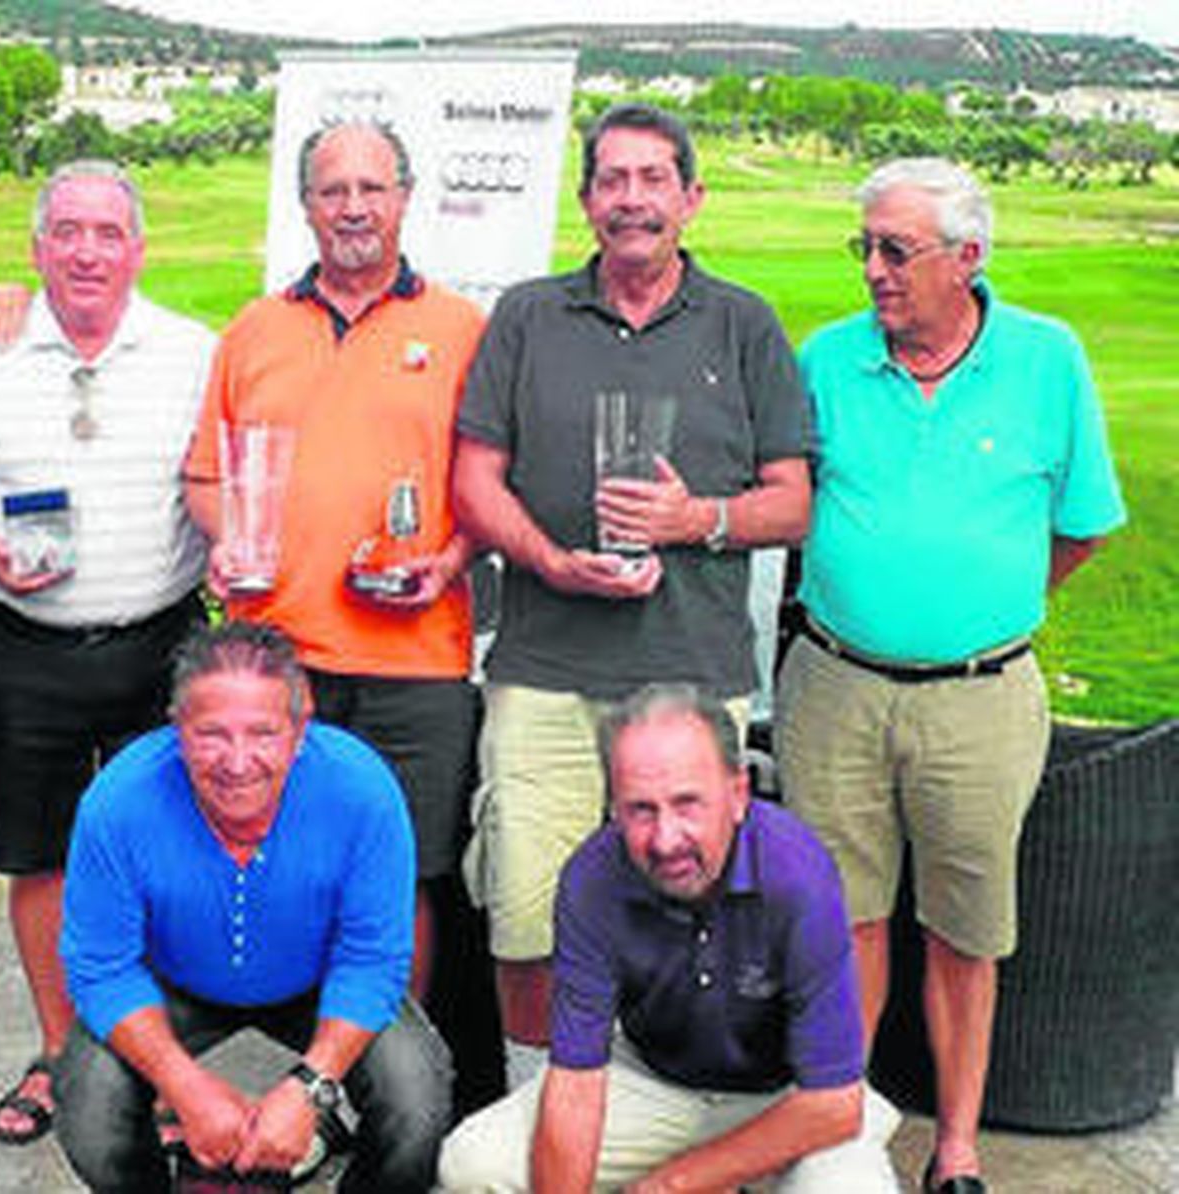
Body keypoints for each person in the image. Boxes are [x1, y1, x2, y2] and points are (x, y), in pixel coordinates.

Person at [775, 157, 1125, 1194]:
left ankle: (957, 1147)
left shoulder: (1046, 362)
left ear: (966, 258)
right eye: (865, 249)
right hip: (834, 685)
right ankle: (843, 1139)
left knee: (966, 929)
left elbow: (1080, 530)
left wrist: (983, 608)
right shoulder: (826, 361)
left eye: (895, 250)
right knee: (845, 922)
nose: (874, 272)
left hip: (981, 696)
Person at [451, 102, 811, 1080]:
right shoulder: (528, 314)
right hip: (543, 675)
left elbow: (793, 504)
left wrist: (693, 520)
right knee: (525, 911)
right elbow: (474, 480)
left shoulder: (743, 326)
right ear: (585, 200)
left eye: (653, 178)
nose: (632, 199)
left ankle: (675, 1108)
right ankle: (537, 1112)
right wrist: (546, 559)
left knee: (692, 917)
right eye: (612, 179)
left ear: (690, 198)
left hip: (692, 681)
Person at [0, 160, 213, 1145]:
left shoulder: (192, 353)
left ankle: (158, 1063)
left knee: (165, 859)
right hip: (24, 650)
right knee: (39, 859)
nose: (87, 251)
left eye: (108, 233)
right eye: (67, 232)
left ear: (138, 248)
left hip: (161, 649)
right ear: (38, 245)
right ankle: (60, 1052)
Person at [182, 123, 485, 1016]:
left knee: (405, 879)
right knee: (279, 869)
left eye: (372, 187)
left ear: (404, 195)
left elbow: (490, 487)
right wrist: (228, 530)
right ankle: (301, 1066)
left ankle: (399, 1072)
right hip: (276, 659)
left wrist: (456, 555)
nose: (353, 207)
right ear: (305, 204)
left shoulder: (464, 329)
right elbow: (205, 477)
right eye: (333, 189)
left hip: (416, 660)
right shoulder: (252, 330)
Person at [437, 685, 899, 1193]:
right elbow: (575, 1086)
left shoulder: (799, 872)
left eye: (687, 804)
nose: (665, 838)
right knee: (473, 1163)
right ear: (613, 807)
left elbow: (833, 1103)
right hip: (651, 1077)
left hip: (784, 1095)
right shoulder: (591, 877)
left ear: (739, 794)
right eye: (641, 809)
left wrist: (669, 1185)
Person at [53, 620, 453, 1191]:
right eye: (211, 734)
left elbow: (372, 959)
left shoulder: (361, 788)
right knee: (89, 1100)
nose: (237, 762)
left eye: (263, 734)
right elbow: (100, 966)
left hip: (322, 981)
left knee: (416, 1092)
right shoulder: (118, 801)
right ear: (177, 727)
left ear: (299, 728)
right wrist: (185, 1088)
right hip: (173, 982)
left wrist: (311, 1088)